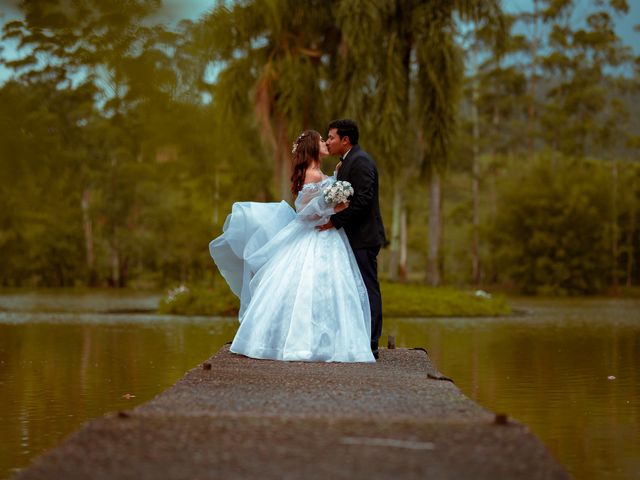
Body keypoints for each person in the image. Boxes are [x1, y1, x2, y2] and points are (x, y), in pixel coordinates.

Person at [209, 130, 375, 363]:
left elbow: (320, 202)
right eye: (321, 141)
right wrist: (335, 208)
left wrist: (335, 194)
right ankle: (304, 344)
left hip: (330, 235)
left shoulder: (323, 173)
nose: (326, 143)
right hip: (317, 235)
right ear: (312, 147)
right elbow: (306, 212)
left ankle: (331, 342)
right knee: (308, 286)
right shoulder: (312, 174)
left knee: (334, 288)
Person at [317, 119, 386, 359]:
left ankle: (372, 342)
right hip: (351, 237)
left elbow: (364, 200)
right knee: (354, 289)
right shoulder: (346, 162)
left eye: (331, 137)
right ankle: (357, 339)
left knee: (367, 288)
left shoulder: (361, 161)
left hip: (364, 236)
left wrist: (335, 221)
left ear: (345, 140)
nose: (328, 141)